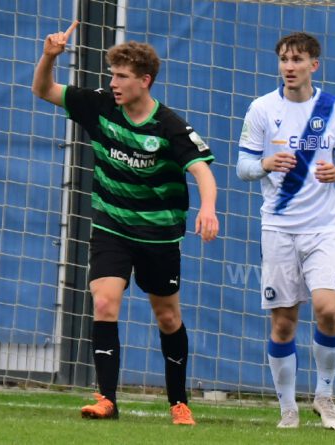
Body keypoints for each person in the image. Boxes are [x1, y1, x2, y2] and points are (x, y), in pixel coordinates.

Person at [32, 21, 219, 425]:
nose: (113, 82)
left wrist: (208, 208)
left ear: (145, 81)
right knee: (104, 302)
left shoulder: (169, 125)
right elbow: (44, 90)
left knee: (167, 317)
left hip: (158, 234)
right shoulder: (99, 104)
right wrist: (49, 56)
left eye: (121, 76)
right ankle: (106, 399)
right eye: (111, 74)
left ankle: (178, 402)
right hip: (112, 227)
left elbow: (202, 169)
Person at [236, 32, 335, 430]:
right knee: (284, 323)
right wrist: (267, 164)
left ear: (313, 65)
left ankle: (324, 395)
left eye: (297, 60)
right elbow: (243, 167)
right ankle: (288, 407)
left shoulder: (334, 109)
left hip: (322, 229)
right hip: (279, 229)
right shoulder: (261, 109)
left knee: (327, 310)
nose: (289, 67)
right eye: (284, 59)